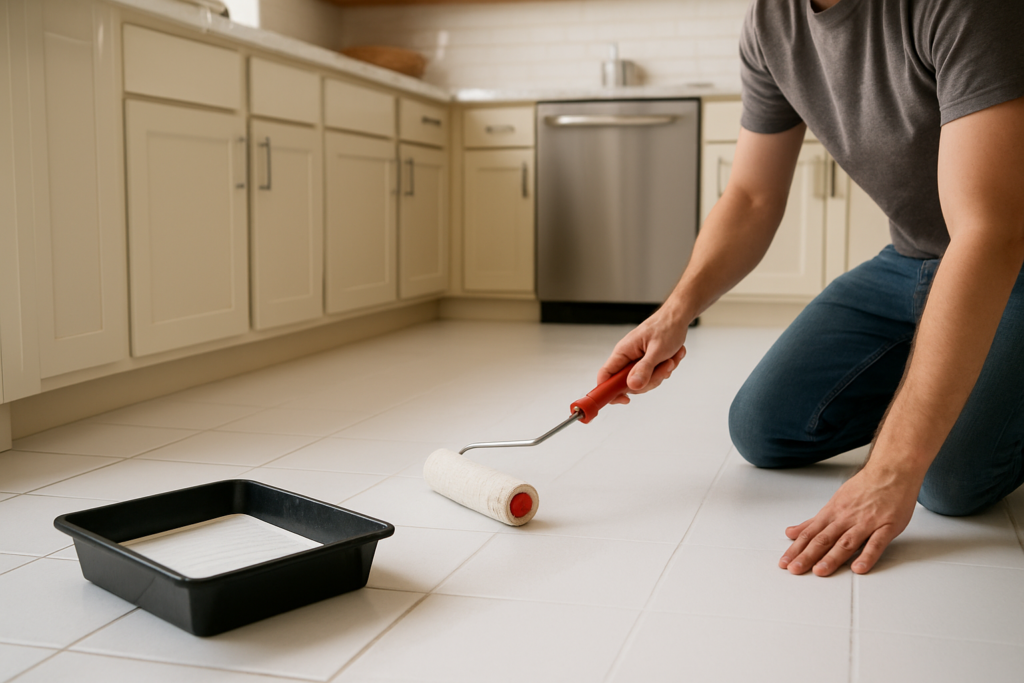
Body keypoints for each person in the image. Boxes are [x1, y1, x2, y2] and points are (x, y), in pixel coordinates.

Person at [598, 0, 1024, 577]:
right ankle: (956, 382)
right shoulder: (771, 23)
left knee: (948, 480)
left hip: (1007, 257)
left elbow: (990, 232)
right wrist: (675, 311)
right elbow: (750, 197)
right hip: (913, 258)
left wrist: (893, 466)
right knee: (763, 428)